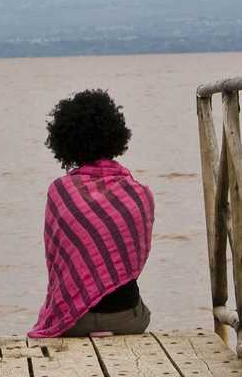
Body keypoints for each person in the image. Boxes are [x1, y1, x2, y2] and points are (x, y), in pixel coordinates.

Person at [28, 89, 156, 338]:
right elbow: (134, 260)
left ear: (65, 141)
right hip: (128, 320)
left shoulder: (60, 192)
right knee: (143, 310)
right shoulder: (139, 193)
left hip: (74, 321)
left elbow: (57, 265)